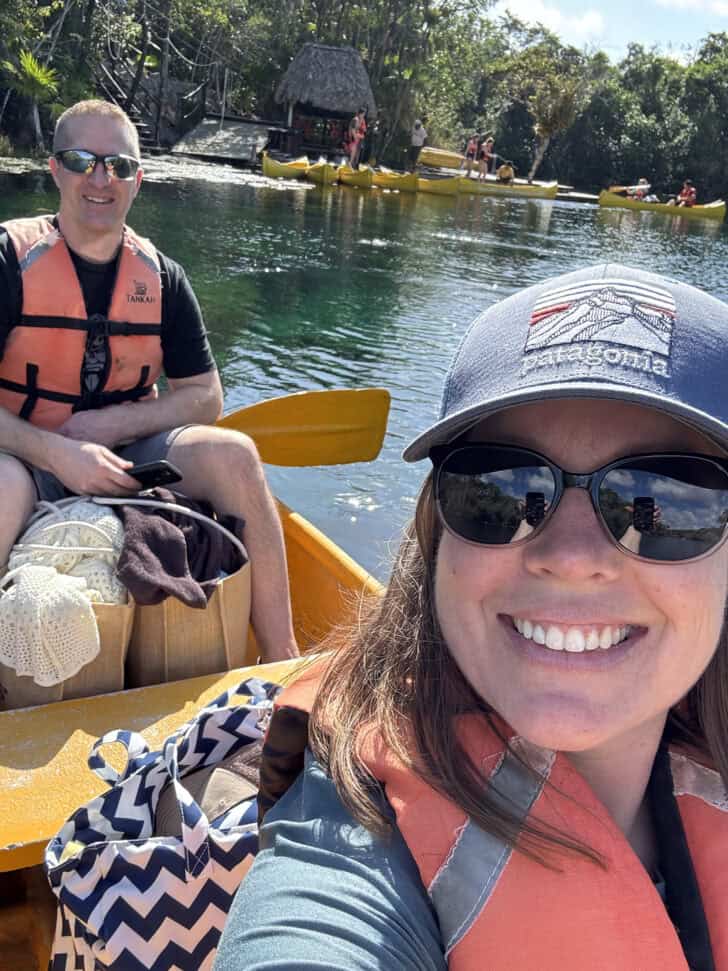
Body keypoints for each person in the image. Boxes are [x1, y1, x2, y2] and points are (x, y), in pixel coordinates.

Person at [216, 264, 728, 969]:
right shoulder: (347, 837)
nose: (572, 557)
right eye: (503, 487)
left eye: (665, 502)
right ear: (437, 535)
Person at [0, 99, 298, 663]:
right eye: (82, 159)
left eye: (117, 165)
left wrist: (115, 422)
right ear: (55, 168)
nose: (100, 178)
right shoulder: (8, 260)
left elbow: (206, 396)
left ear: (138, 179)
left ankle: (284, 661)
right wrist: (58, 453)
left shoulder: (162, 277)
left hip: (130, 457)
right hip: (20, 454)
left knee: (236, 454)